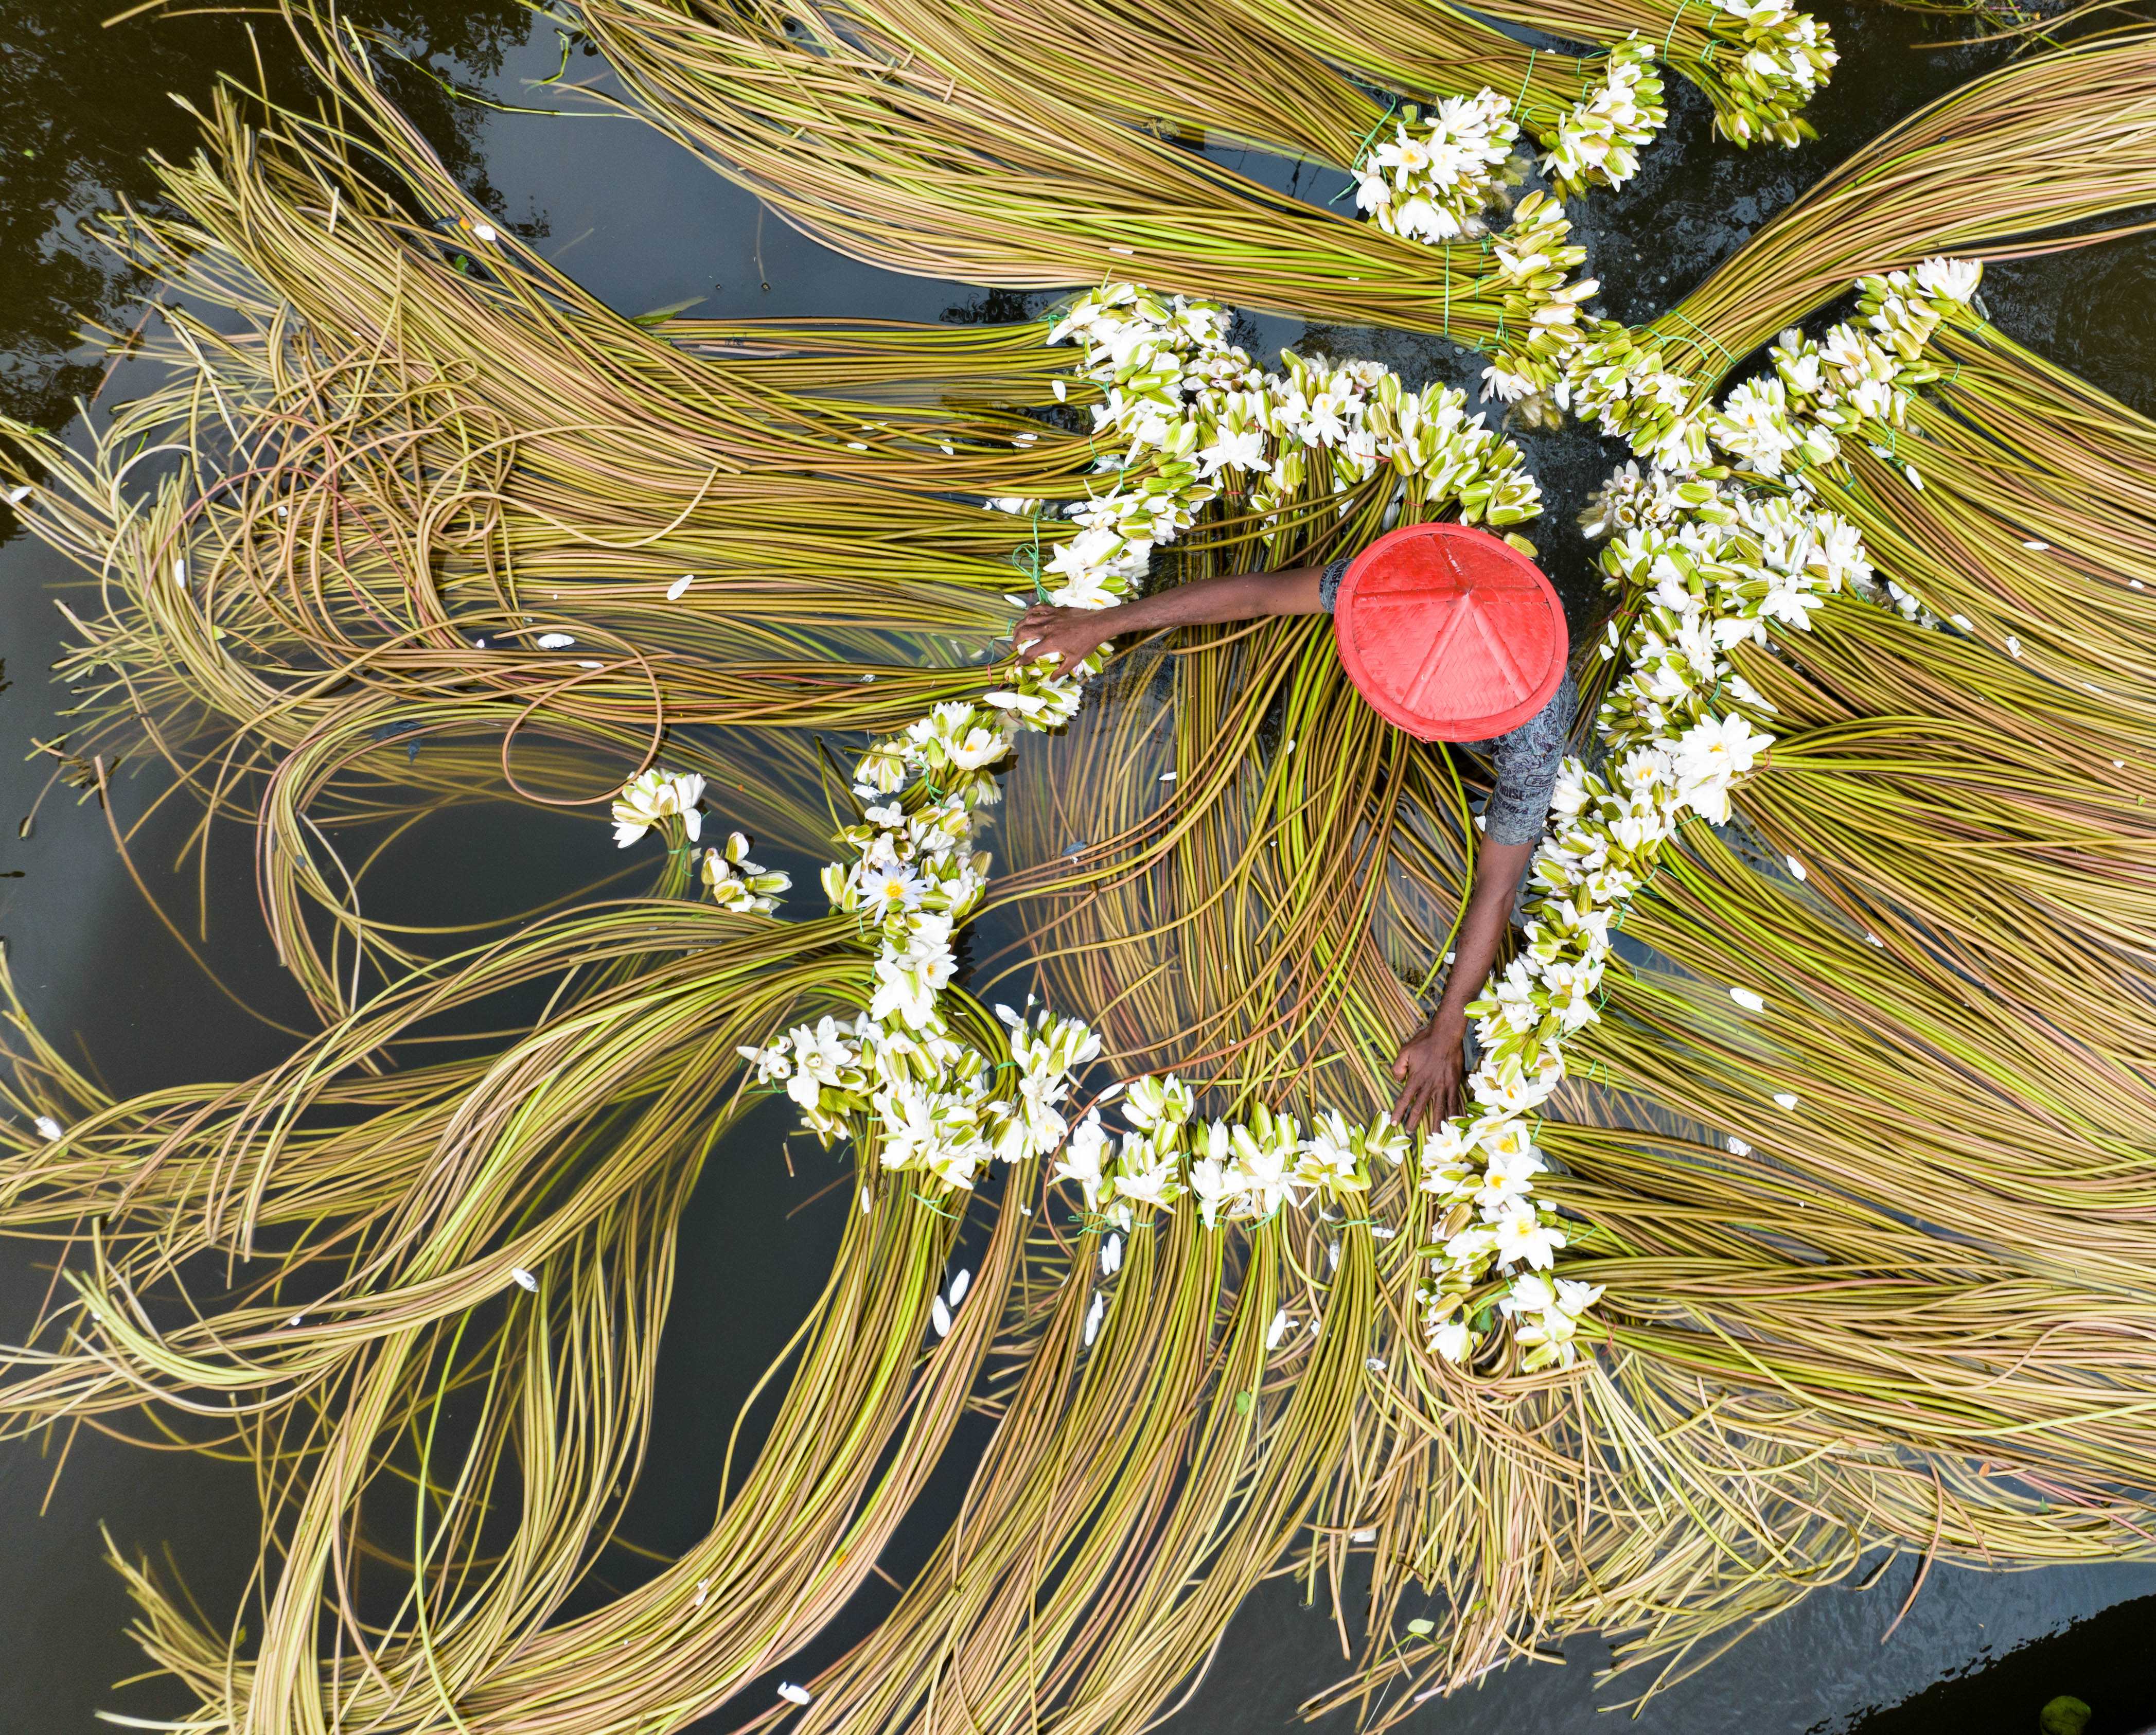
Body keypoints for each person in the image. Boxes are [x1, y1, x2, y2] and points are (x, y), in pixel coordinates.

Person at [1014, 547, 1577, 1134]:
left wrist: (1448, 1028)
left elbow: (1498, 883)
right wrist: (1103, 622)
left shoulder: (1531, 738)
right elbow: (1258, 594)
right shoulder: (1406, 582)